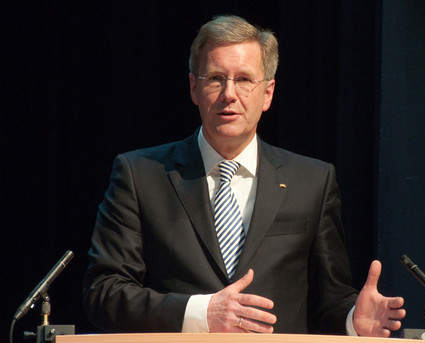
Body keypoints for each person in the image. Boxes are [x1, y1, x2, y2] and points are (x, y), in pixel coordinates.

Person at [83, 15, 405, 335]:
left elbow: (327, 302)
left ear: (267, 93)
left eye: (244, 80)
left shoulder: (313, 182)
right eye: (215, 78)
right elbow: (104, 293)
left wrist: (353, 322)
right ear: (194, 87)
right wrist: (201, 313)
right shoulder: (141, 176)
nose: (229, 94)